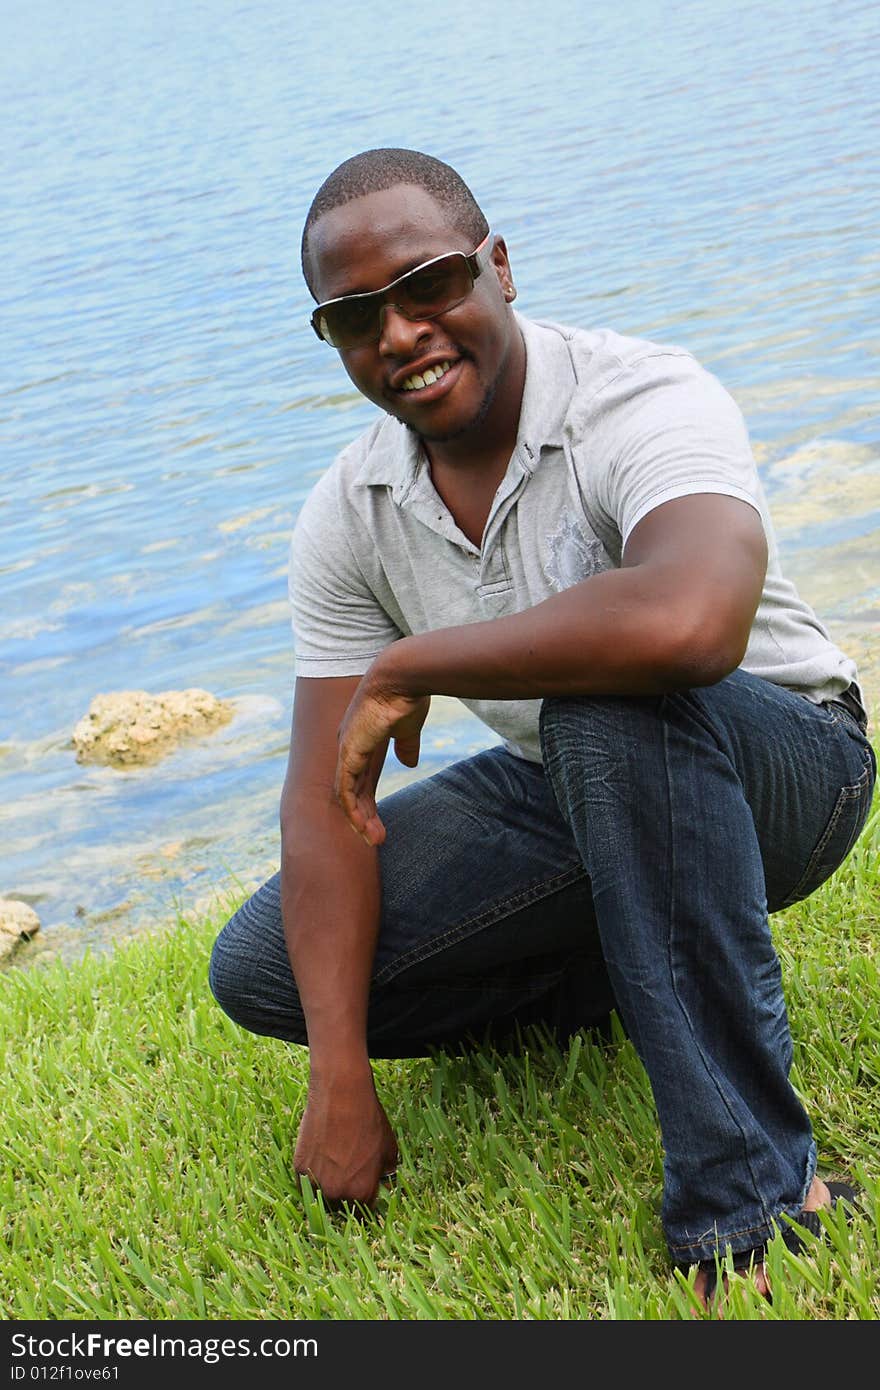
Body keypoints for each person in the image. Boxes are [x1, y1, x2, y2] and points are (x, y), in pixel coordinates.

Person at [209, 148, 876, 1307]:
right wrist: (339, 1071)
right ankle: (631, 965)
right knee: (266, 968)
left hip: (790, 766)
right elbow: (333, 798)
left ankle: (757, 1200)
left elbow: (688, 625)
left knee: (602, 700)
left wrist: (411, 656)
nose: (402, 332)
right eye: (356, 316)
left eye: (430, 285)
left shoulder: (637, 395)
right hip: (577, 786)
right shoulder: (351, 509)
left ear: (499, 267)